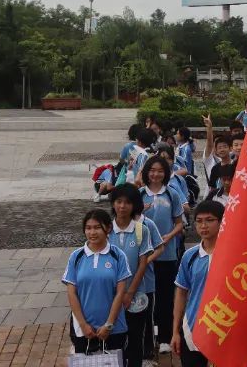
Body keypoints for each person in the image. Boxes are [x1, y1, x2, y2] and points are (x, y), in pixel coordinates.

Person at [63, 209, 132, 358]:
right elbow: (71, 292)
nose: (92, 232)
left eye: (97, 227)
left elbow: (120, 293)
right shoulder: (76, 256)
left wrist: (109, 324)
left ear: (108, 228)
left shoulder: (118, 256)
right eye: (88, 228)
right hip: (83, 329)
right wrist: (82, 324)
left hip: (114, 327)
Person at [108, 184, 159, 367]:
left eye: (127, 202)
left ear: (134, 205)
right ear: (113, 203)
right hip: (110, 296)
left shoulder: (141, 230)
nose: (122, 206)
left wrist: (129, 293)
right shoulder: (105, 231)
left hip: (136, 295)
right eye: (118, 202)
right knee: (114, 340)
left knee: (136, 338)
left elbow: (142, 264)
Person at [139, 155, 185, 355]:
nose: (156, 174)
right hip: (144, 256)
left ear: (165, 173)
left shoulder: (172, 194)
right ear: (146, 172)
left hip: (167, 255)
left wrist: (168, 237)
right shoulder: (140, 195)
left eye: (160, 171)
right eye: (152, 170)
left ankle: (165, 337)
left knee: (166, 296)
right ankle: (148, 336)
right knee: (146, 295)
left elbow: (180, 222)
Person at [170, 200, 225, 367]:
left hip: (225, 329)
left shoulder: (234, 256)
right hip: (193, 327)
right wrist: (175, 331)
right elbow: (181, 292)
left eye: (209, 220)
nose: (203, 226)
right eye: (199, 221)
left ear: (222, 221)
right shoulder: (190, 256)